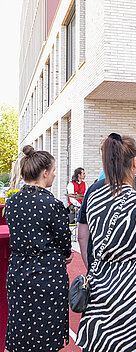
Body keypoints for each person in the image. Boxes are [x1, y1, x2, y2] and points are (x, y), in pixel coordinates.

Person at [76, 133, 136, 352]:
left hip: (100, 284)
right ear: (135, 162)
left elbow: (85, 237)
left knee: (101, 342)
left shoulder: (95, 198)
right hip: (135, 290)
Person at [4, 145, 72, 352]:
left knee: (18, 330)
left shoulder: (12, 202)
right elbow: (65, 242)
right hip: (47, 277)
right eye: (52, 170)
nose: (53, 174)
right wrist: (65, 255)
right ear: (44, 173)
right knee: (46, 336)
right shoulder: (52, 204)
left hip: (18, 273)